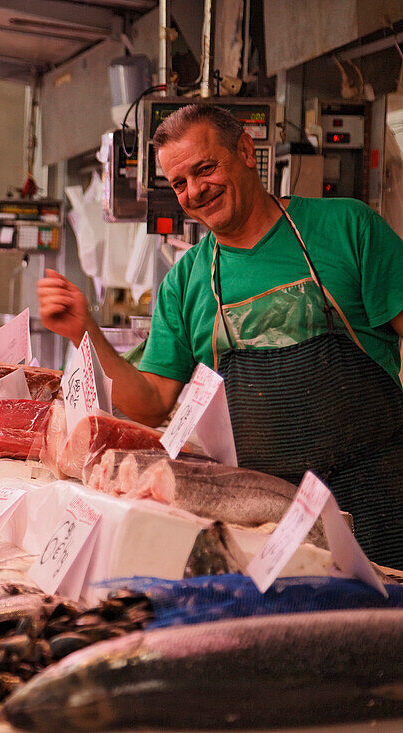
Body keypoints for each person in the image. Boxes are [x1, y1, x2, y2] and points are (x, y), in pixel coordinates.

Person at [37, 104, 403, 568]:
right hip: (263, 512)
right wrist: (84, 332)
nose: (194, 191)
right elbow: (150, 400)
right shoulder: (187, 278)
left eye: (205, 169)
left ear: (247, 152)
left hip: (380, 492)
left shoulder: (347, 227)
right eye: (179, 183)